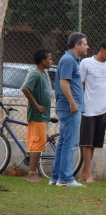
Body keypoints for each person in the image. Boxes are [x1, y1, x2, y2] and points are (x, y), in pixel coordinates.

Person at [49, 32, 89, 187]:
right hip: (70, 108)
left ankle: (56, 177)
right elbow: (64, 83)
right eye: (85, 44)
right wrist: (73, 103)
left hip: (68, 108)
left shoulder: (70, 60)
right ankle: (65, 179)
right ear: (77, 45)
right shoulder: (68, 60)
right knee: (70, 144)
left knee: (64, 142)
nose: (87, 47)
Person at [79, 38, 106, 182]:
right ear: (101, 49)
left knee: (94, 143)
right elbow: (80, 84)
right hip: (89, 109)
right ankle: (88, 174)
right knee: (87, 143)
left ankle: (84, 173)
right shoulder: (86, 63)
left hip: (103, 108)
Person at [21, 49, 52, 182]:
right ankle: (31, 174)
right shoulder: (35, 74)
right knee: (37, 144)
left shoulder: (43, 74)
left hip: (42, 116)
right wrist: (36, 105)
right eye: (49, 59)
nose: (51, 61)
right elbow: (25, 89)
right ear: (42, 61)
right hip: (37, 116)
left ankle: (33, 173)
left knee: (39, 143)